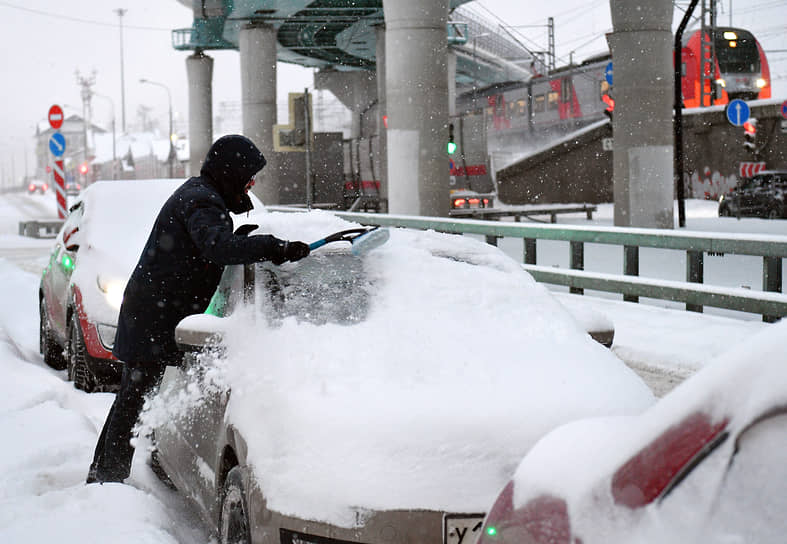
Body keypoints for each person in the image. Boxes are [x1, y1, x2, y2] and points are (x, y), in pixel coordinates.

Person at [87, 134, 310, 484]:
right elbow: (216, 247)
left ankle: (104, 475)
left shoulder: (203, 194)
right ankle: (106, 480)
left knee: (131, 401)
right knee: (133, 402)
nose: (251, 183)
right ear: (231, 171)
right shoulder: (202, 201)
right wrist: (271, 247)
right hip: (153, 316)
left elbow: (213, 239)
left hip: (151, 311)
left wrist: (243, 238)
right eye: (248, 175)